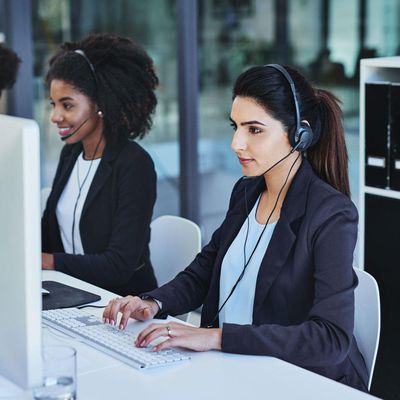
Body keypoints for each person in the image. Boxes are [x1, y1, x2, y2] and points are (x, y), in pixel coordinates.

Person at [103, 64, 369, 391]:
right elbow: (205, 271)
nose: (236, 143)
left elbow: (331, 338)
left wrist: (216, 337)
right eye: (235, 126)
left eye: (254, 129)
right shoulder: (246, 191)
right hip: (233, 371)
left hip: (297, 382)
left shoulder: (331, 214)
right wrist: (153, 303)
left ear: (300, 135)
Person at [42, 34, 159, 296]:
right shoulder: (71, 154)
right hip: (71, 293)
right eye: (53, 104)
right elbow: (47, 234)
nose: (55, 116)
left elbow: (119, 265)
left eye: (67, 105)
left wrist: (50, 262)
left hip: (121, 304)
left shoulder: (134, 164)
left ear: (100, 104)